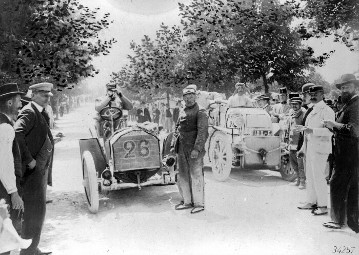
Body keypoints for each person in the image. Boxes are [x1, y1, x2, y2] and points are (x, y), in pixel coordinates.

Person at [14, 82, 55, 255]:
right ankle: (28, 252)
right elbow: (17, 133)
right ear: (34, 94)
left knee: (37, 211)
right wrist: (29, 159)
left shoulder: (38, 111)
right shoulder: (30, 111)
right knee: (33, 212)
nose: (47, 98)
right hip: (31, 173)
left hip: (39, 171)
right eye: (44, 95)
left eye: (48, 95)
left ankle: (33, 248)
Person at [322, 74, 359, 233]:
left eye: (347, 87)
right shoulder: (348, 104)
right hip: (344, 151)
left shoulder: (356, 104)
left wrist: (334, 124)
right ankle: (349, 220)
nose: (344, 90)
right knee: (349, 186)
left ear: (355, 87)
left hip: (349, 152)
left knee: (338, 184)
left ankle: (337, 220)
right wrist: (332, 127)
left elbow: (355, 129)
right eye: (342, 87)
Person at [296, 85, 335, 216]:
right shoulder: (312, 110)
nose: (313, 96)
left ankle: (322, 205)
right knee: (310, 177)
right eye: (311, 94)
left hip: (320, 148)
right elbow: (306, 132)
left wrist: (312, 130)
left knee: (319, 177)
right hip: (310, 148)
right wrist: (302, 148)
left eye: (316, 94)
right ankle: (311, 201)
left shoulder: (327, 110)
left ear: (322, 94)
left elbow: (330, 132)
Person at [171, 85, 209, 214]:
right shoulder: (182, 110)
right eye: (186, 97)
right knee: (183, 176)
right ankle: (187, 201)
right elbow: (177, 129)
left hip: (194, 149)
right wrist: (173, 145)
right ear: (183, 98)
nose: (189, 99)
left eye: (191, 96)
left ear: (195, 97)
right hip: (182, 148)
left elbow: (202, 132)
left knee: (196, 175)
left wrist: (197, 149)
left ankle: (199, 203)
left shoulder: (201, 111)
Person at [0, 83, 25, 255]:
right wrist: (13, 192)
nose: (21, 106)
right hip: (3, 190)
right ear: (9, 103)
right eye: (18, 102)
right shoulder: (5, 127)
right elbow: (4, 164)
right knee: (6, 235)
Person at [287, 97, 306, 189]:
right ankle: (298, 180)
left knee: (300, 163)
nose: (294, 106)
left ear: (300, 104)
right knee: (293, 162)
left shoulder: (303, 114)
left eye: (296, 104)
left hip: (299, 141)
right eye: (292, 104)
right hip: (291, 142)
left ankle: (302, 181)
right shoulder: (291, 113)